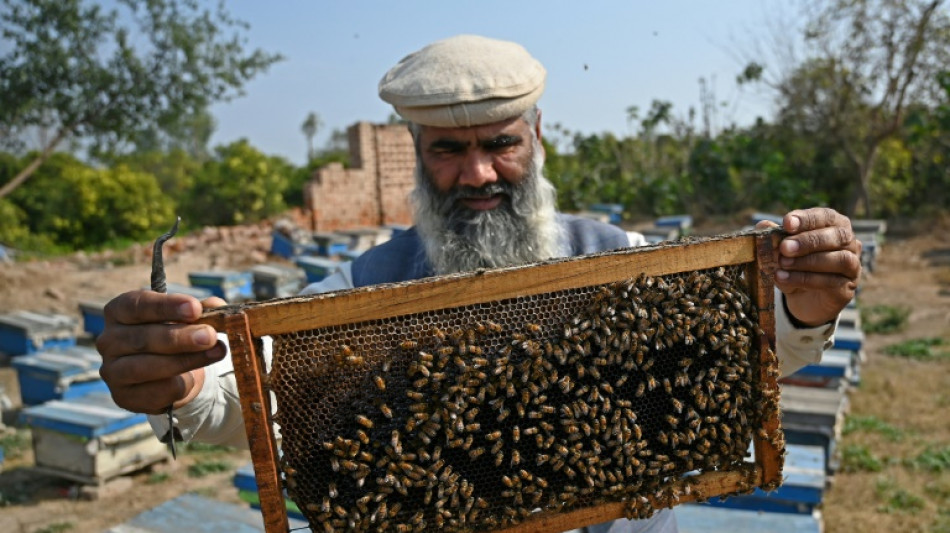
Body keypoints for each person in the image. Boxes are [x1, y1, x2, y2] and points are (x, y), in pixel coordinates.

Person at [97, 34, 861, 533]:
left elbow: (736, 357)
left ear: (538, 136)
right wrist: (180, 381)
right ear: (416, 151)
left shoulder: (620, 256)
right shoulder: (359, 288)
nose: (478, 173)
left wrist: (804, 303)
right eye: (448, 151)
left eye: (500, 144)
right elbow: (250, 395)